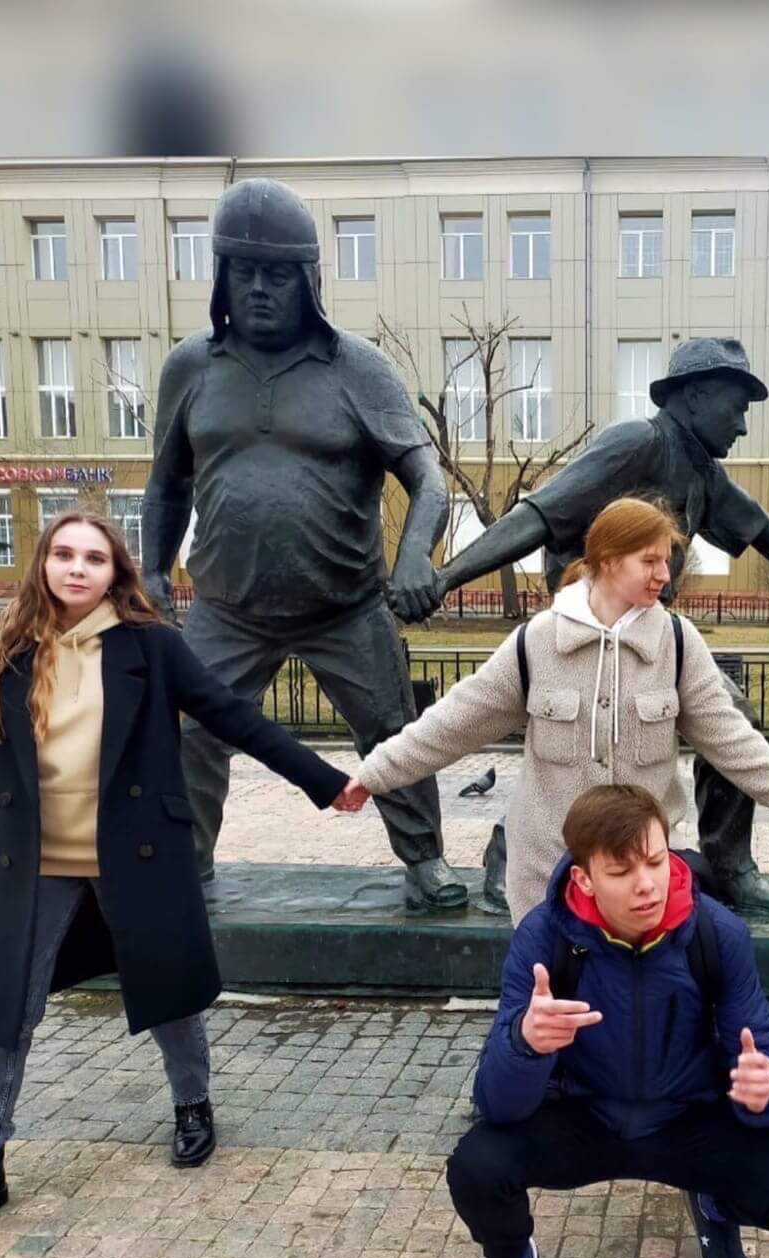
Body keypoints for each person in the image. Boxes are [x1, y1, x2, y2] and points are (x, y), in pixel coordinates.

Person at [0, 511, 358, 1252]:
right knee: (1, 1011)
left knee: (167, 990)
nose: (77, 568)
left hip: (137, 853)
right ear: (44, 563)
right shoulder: (4, 650)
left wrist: (325, 781)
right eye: (64, 554)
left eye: (94, 557)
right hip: (30, 863)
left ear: (114, 573)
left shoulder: (150, 646)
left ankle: (193, 1102)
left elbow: (231, 716)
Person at [396, 337, 769, 916]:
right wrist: (447, 577)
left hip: (643, 628)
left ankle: (728, 865)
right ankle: (514, 848)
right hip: (582, 627)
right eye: (737, 407)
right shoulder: (639, 443)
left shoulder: (702, 472)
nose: (743, 426)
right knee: (579, 745)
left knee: (720, 720)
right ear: (696, 396)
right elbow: (538, 514)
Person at [139, 176, 464, 913]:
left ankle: (424, 860)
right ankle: (186, 870)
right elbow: (165, 484)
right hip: (227, 609)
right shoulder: (190, 367)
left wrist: (416, 554)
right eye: (244, 271)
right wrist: (151, 571)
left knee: (392, 733)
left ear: (310, 280)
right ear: (220, 276)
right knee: (189, 734)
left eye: (278, 274)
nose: (259, 289)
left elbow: (427, 477)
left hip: (345, 608)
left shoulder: (359, 368)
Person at [344, 497, 769, 924]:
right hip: (547, 886)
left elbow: (735, 743)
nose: (665, 575)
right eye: (650, 561)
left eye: (667, 561)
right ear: (609, 560)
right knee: (549, 999)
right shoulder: (537, 642)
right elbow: (452, 724)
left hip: (641, 891)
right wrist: (372, 775)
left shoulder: (678, 645)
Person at [445, 784, 769, 1258]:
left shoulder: (717, 934)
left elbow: (763, 1041)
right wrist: (525, 1042)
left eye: (655, 861)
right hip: (582, 1117)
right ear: (584, 879)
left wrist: (766, 1086)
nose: (646, 884)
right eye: (621, 871)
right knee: (475, 1169)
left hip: (688, 1119)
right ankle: (513, 1257)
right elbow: (495, 1102)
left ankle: (715, 1207)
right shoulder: (542, 938)